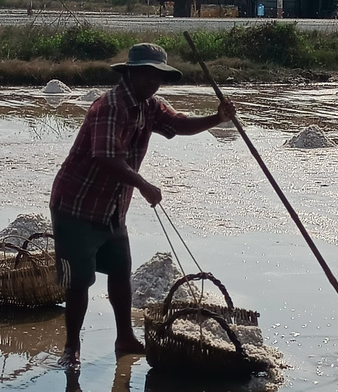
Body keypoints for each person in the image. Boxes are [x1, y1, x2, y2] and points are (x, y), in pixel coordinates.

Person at [49, 42, 235, 371]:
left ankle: (124, 338)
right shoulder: (110, 106)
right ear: (131, 73)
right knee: (78, 282)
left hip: (111, 208)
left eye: (158, 77)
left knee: (120, 273)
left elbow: (179, 126)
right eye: (147, 75)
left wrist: (217, 118)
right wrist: (143, 184)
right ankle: (71, 348)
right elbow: (105, 157)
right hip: (76, 206)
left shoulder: (149, 106)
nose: (154, 82)